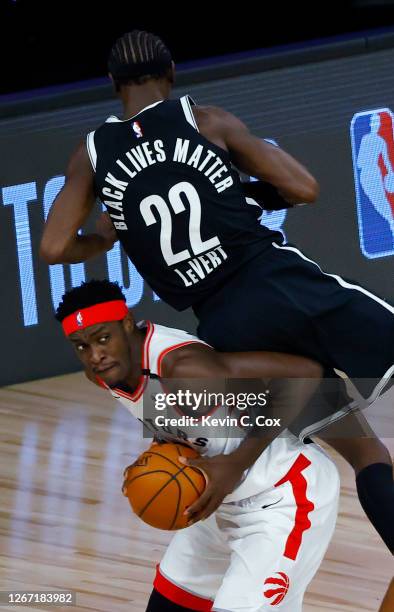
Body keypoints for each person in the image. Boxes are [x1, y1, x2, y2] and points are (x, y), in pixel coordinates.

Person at [40, 29, 394, 552]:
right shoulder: (204, 120)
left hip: (230, 326)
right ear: (173, 73)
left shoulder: (91, 154)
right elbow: (305, 188)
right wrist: (239, 188)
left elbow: (50, 247)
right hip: (281, 284)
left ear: (114, 85)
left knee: (367, 453)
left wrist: (102, 237)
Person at [56, 279, 339, 612]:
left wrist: (236, 463)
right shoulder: (106, 373)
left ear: (127, 324)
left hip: (284, 498)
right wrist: (157, 457)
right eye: (81, 347)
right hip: (214, 502)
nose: (95, 355)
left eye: (103, 339)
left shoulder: (185, 370)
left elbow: (304, 373)